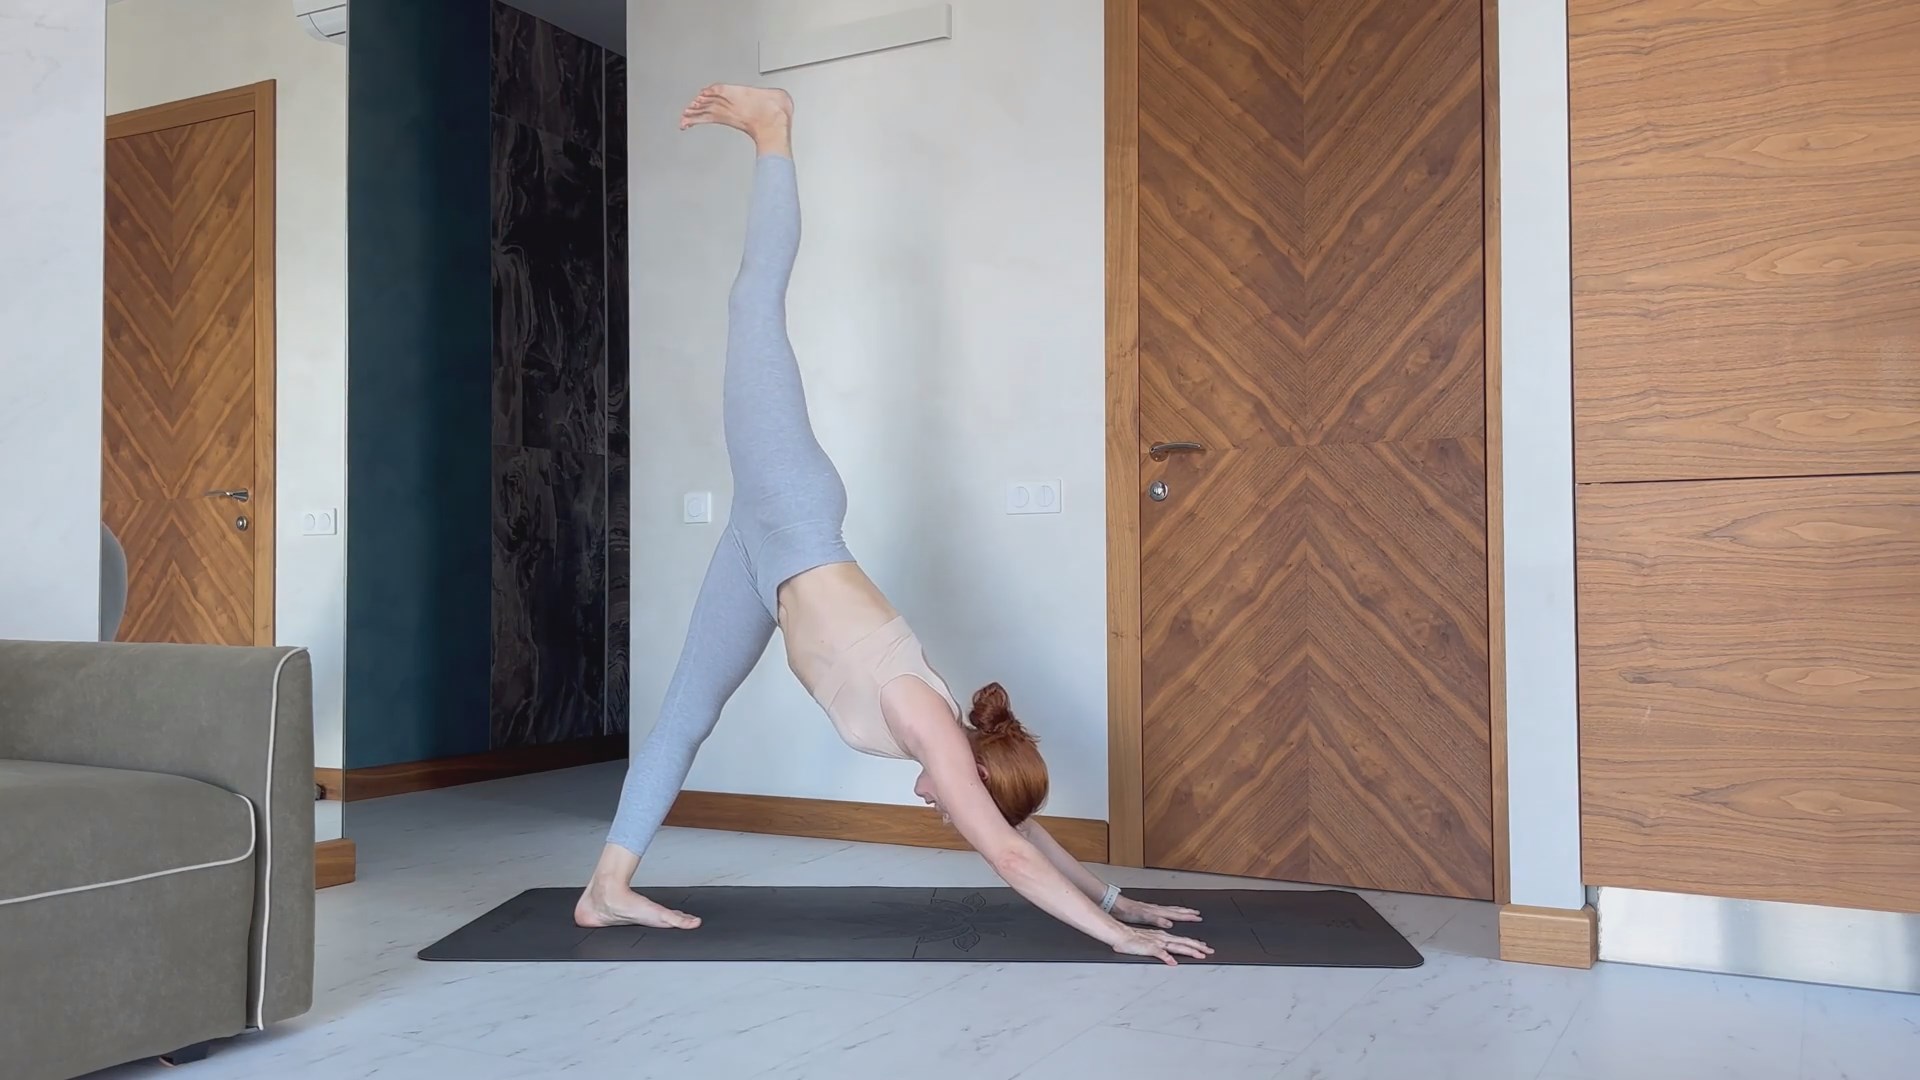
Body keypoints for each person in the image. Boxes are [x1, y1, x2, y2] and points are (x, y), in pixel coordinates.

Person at [575, 85, 1213, 965]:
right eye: (963, 798)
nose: (947, 807)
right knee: (752, 305)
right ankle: (773, 129)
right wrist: (1116, 937)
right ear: (974, 771)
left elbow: (1015, 826)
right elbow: (1006, 853)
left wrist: (1115, 896)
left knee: (685, 714)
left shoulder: (962, 744)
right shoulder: (931, 726)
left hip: (761, 558)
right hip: (791, 511)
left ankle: (607, 887)